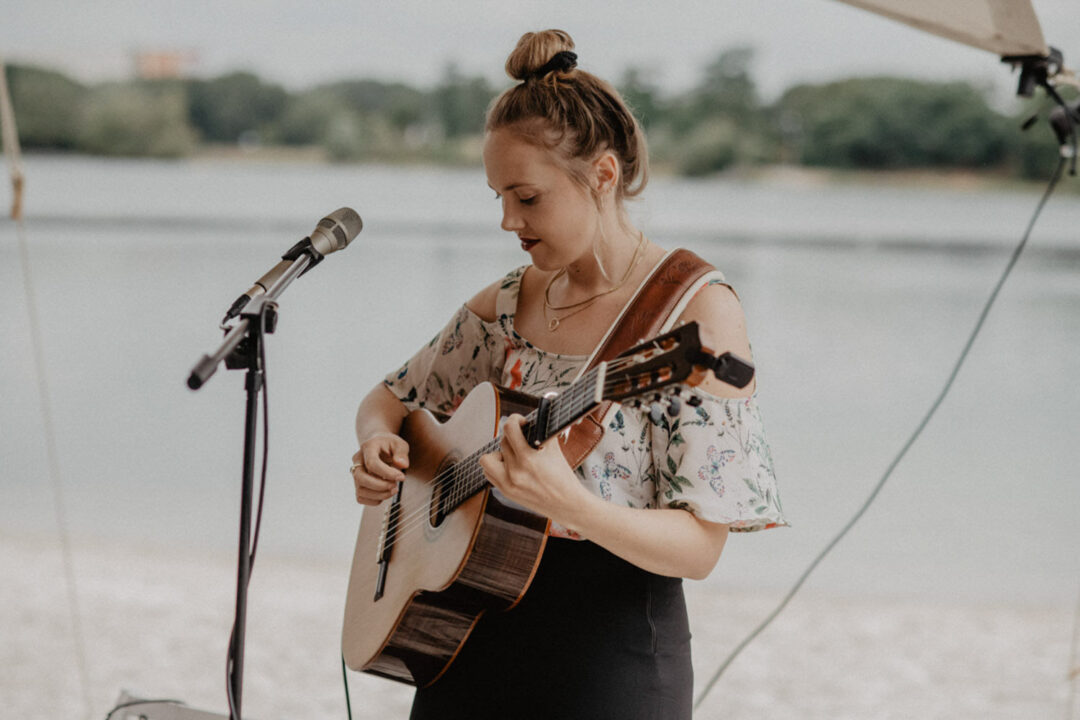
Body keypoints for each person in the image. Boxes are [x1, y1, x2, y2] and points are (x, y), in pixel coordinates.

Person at [350, 29, 785, 720]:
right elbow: (391, 398)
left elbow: (701, 550)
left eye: (526, 197)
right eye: (497, 196)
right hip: (465, 634)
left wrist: (572, 504)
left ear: (603, 176)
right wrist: (379, 442)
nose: (506, 220)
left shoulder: (695, 312)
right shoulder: (508, 300)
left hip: (608, 653)